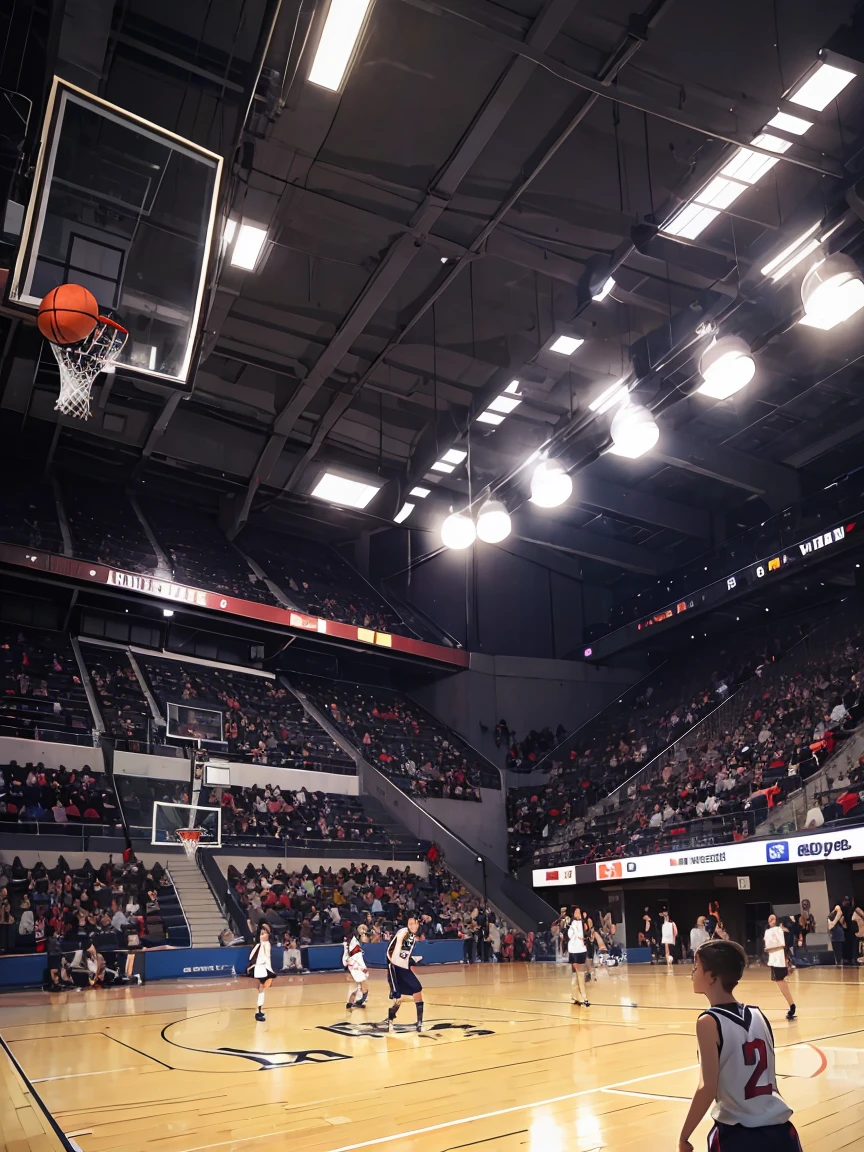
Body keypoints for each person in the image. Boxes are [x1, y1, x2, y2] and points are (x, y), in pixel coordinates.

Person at [678, 940, 802, 1152]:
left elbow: (707, 1088)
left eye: (697, 967)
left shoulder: (708, 1022)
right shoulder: (758, 1014)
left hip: (739, 1135)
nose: (693, 972)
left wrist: (684, 1136)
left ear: (712, 977)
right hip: (782, 1132)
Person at [382, 914, 424, 1032]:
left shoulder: (408, 934)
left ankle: (418, 1021)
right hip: (395, 966)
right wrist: (414, 960)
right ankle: (392, 1015)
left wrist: (411, 959)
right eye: (409, 923)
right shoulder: (407, 935)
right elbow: (401, 954)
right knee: (399, 994)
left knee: (416, 990)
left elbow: (403, 954)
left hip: (402, 965)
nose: (411, 926)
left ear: (417, 923)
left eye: (413, 923)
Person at [763, 914, 795, 1021]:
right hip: (775, 959)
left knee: (780, 981)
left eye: (773, 919)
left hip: (779, 959)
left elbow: (783, 944)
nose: (772, 920)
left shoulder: (782, 931)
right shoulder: (772, 930)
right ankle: (791, 1005)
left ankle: (792, 1005)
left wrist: (787, 962)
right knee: (780, 981)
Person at [247, 923, 275, 1021]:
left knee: (262, 989)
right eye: (261, 934)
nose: (262, 935)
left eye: (264, 933)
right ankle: (258, 1012)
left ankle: (259, 1010)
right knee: (261, 988)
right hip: (261, 968)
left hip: (265, 968)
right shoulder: (260, 945)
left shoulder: (267, 944)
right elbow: (251, 957)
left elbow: (267, 958)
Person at [342, 924, 369, 1010]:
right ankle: (356, 1001)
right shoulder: (354, 940)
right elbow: (365, 939)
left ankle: (356, 1001)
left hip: (353, 964)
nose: (364, 932)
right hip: (354, 964)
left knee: (359, 984)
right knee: (360, 984)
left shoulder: (354, 942)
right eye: (363, 930)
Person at [567, 906, 589, 1007]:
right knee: (576, 975)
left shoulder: (584, 923)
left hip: (582, 950)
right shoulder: (570, 924)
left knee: (580, 975)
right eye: (576, 912)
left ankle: (579, 997)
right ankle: (580, 997)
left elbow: (587, 934)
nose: (578, 913)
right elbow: (569, 935)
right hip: (574, 950)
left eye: (579, 912)